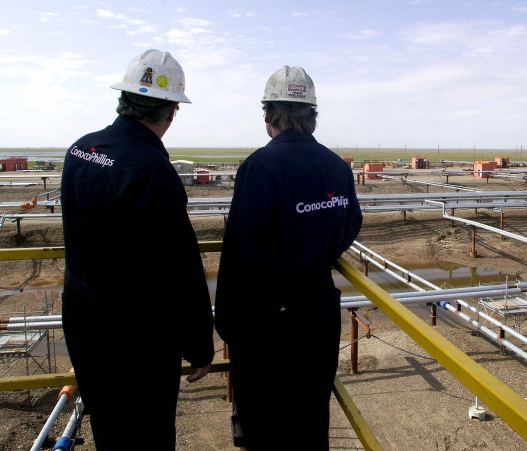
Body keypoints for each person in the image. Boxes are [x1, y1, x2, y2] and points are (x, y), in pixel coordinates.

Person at [60, 49, 214, 450]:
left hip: (83, 322)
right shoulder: (150, 169)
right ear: (171, 111)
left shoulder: (80, 151)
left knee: (109, 431)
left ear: (123, 101)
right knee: (147, 434)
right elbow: (179, 265)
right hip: (135, 339)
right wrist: (199, 343)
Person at [214, 66, 363, 449]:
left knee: (265, 427)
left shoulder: (259, 167)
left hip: (266, 324)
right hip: (317, 315)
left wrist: (227, 323)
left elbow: (241, 252)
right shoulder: (336, 167)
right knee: (311, 421)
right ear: (312, 116)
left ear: (268, 115)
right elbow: (351, 225)